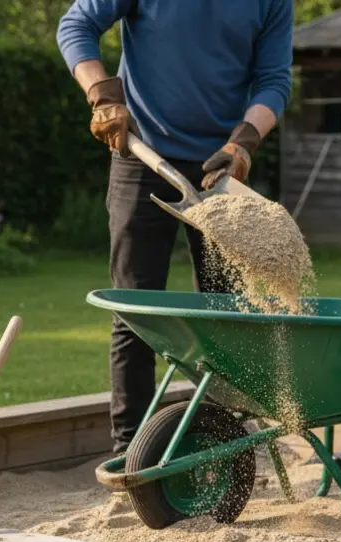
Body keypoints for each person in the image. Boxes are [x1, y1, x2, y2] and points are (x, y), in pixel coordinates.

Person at [57, 0, 293, 454]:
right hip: (143, 158)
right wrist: (104, 95)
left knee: (228, 315)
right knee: (135, 310)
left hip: (221, 169)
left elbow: (274, 79)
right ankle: (131, 451)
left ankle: (226, 449)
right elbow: (76, 24)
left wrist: (243, 143)